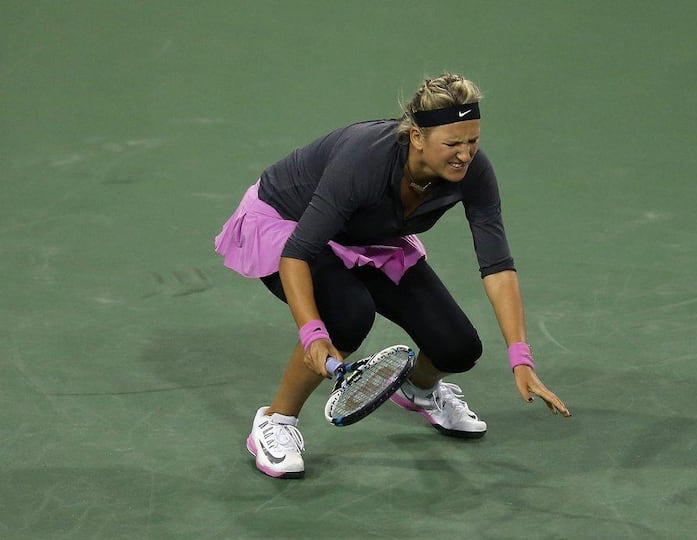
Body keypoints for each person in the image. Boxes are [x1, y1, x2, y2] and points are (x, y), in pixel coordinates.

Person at [214, 72, 570, 479]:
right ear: (417, 137)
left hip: (368, 233)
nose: (465, 154)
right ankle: (275, 422)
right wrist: (313, 332)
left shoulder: (475, 172)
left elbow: (497, 265)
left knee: (458, 346)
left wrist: (520, 359)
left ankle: (418, 389)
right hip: (289, 224)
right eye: (452, 144)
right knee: (347, 316)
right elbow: (298, 253)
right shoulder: (364, 160)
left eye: (472, 141)